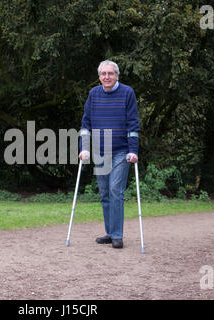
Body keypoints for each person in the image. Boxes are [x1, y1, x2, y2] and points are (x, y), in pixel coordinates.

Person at [79, 60, 140, 249]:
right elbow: (86, 124)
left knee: (115, 190)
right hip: (99, 151)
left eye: (110, 73)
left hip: (121, 151)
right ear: (99, 77)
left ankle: (117, 235)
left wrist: (133, 150)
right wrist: (84, 147)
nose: (107, 77)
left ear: (117, 76)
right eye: (103, 74)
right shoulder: (93, 94)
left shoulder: (127, 93)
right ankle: (110, 232)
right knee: (105, 193)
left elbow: (133, 124)